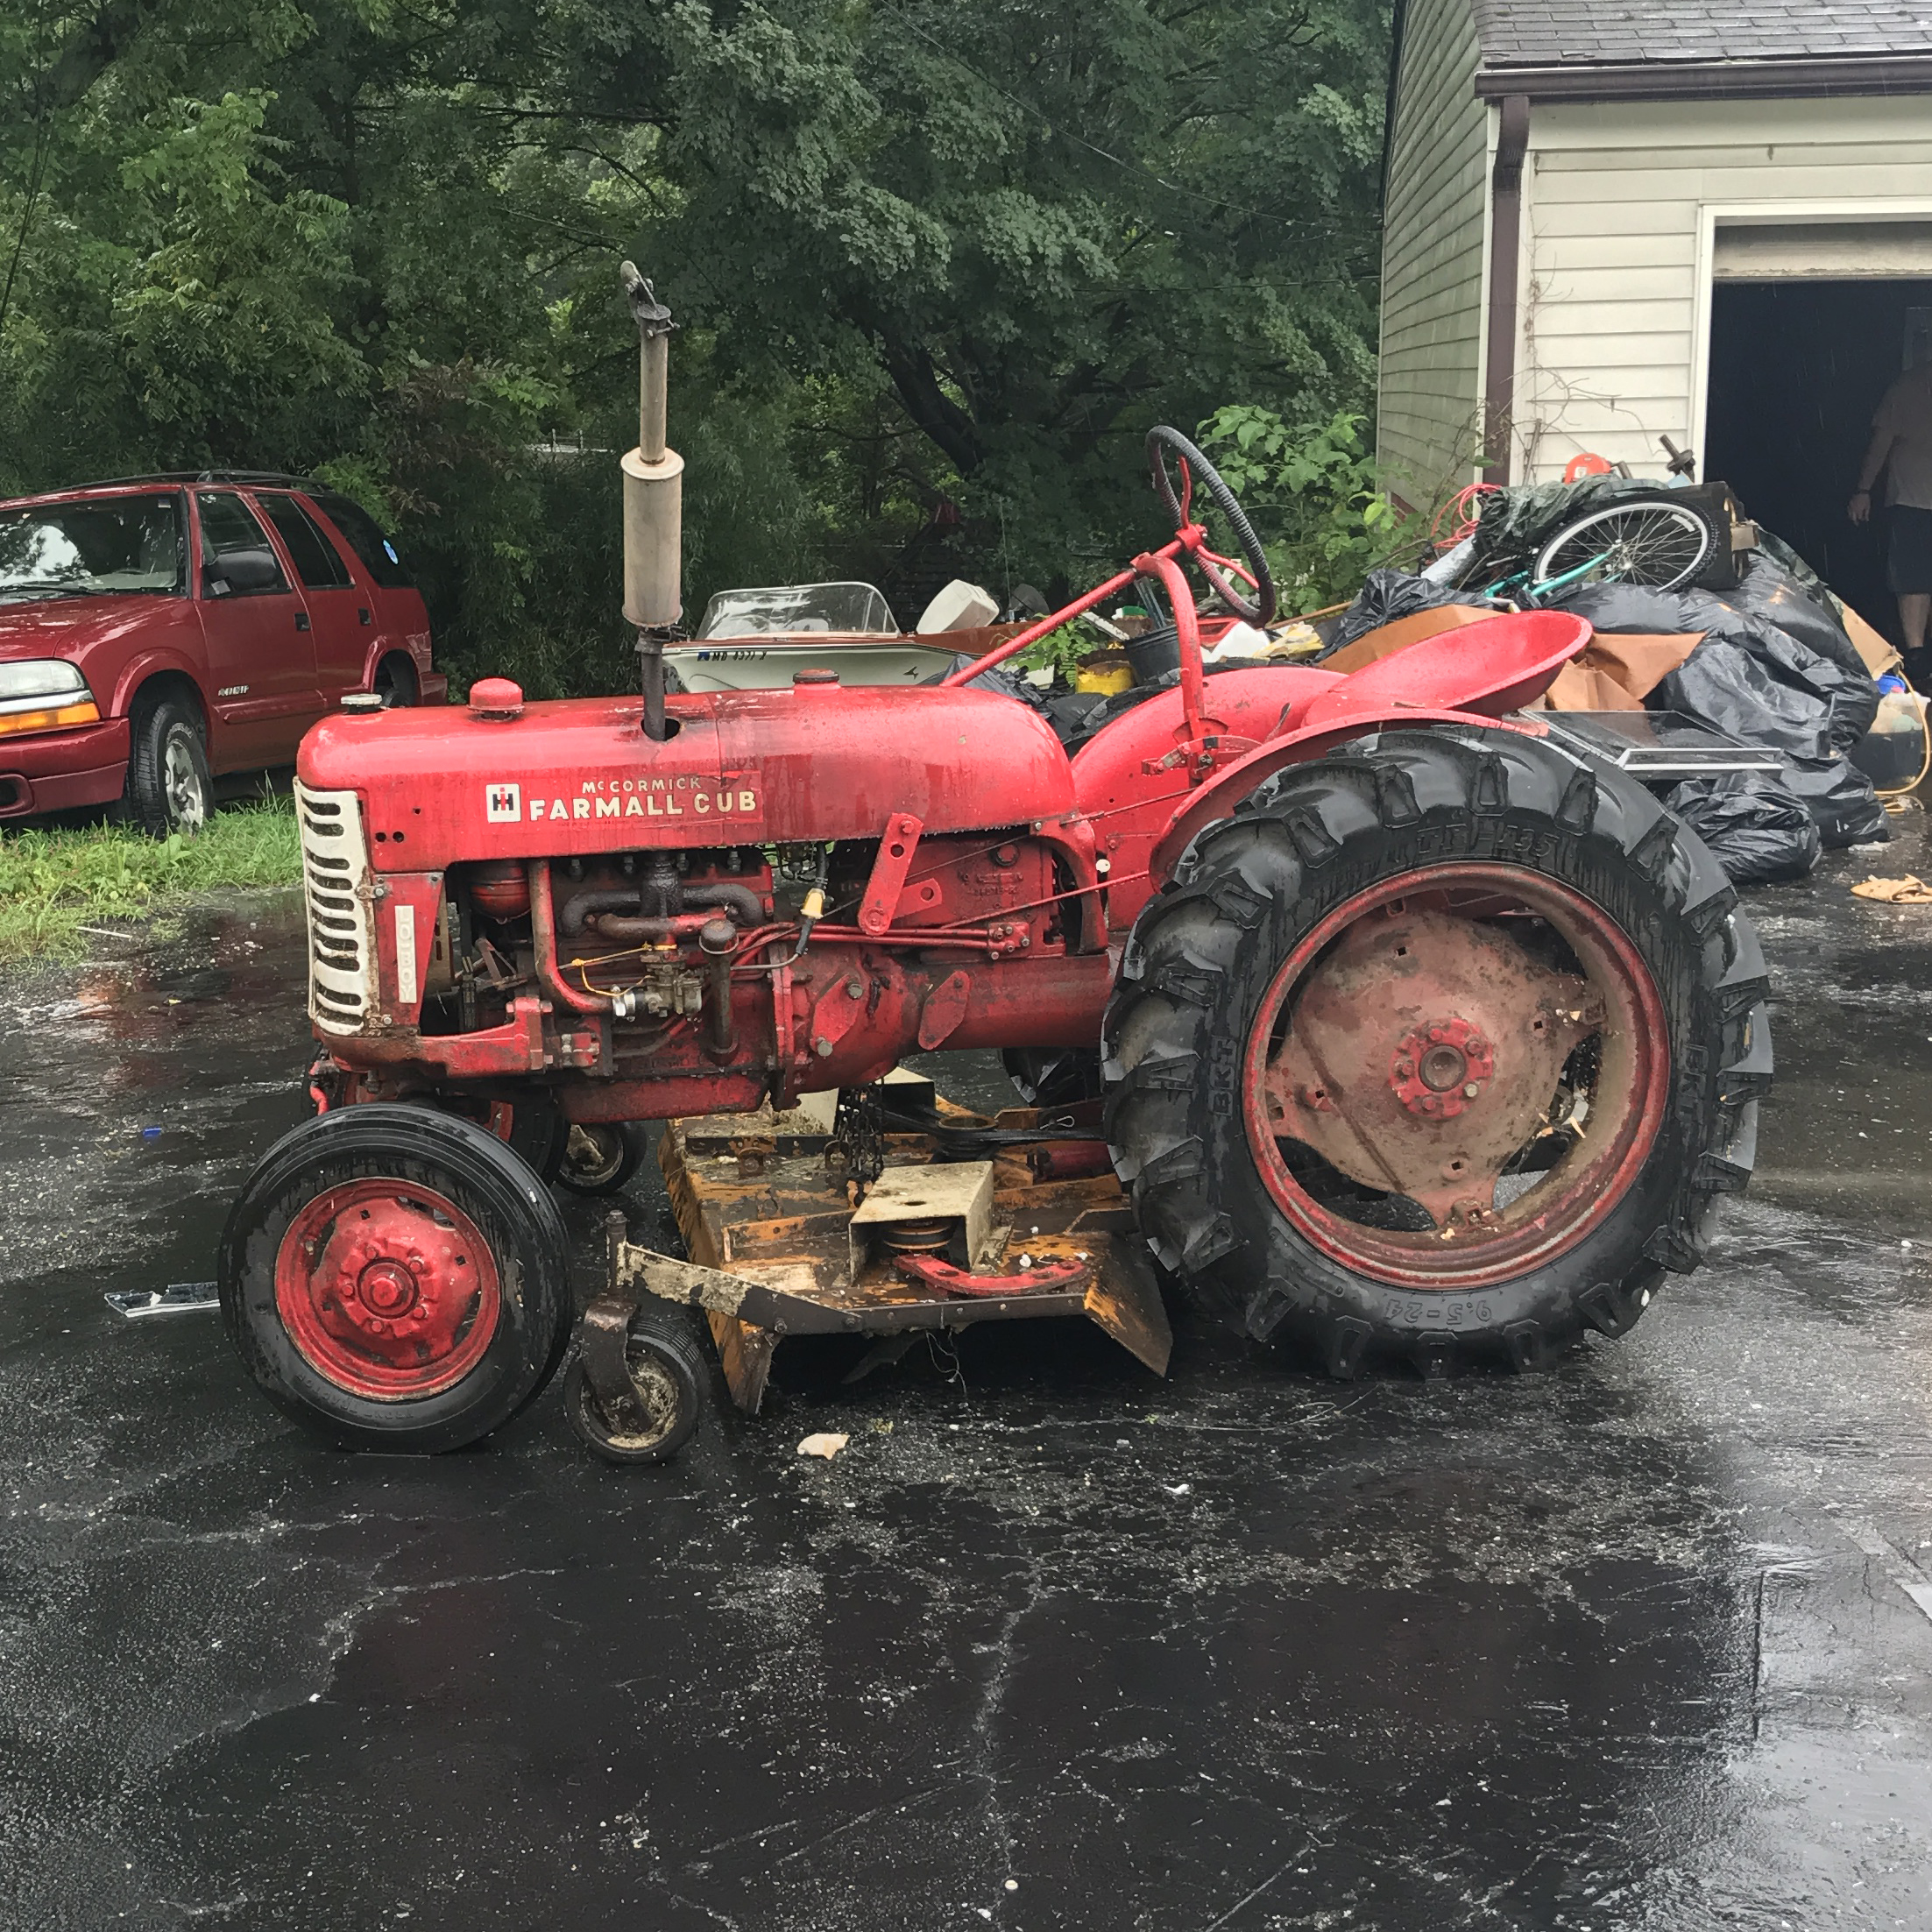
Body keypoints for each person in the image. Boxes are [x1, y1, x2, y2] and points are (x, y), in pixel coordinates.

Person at [1850, 357, 1932, 666]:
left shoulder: (1907, 385)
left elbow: (1881, 441)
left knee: (1912, 579)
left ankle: (1916, 651)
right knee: (1916, 577)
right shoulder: (1908, 387)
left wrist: (1862, 490)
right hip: (1913, 497)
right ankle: (1919, 655)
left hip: (1912, 499)